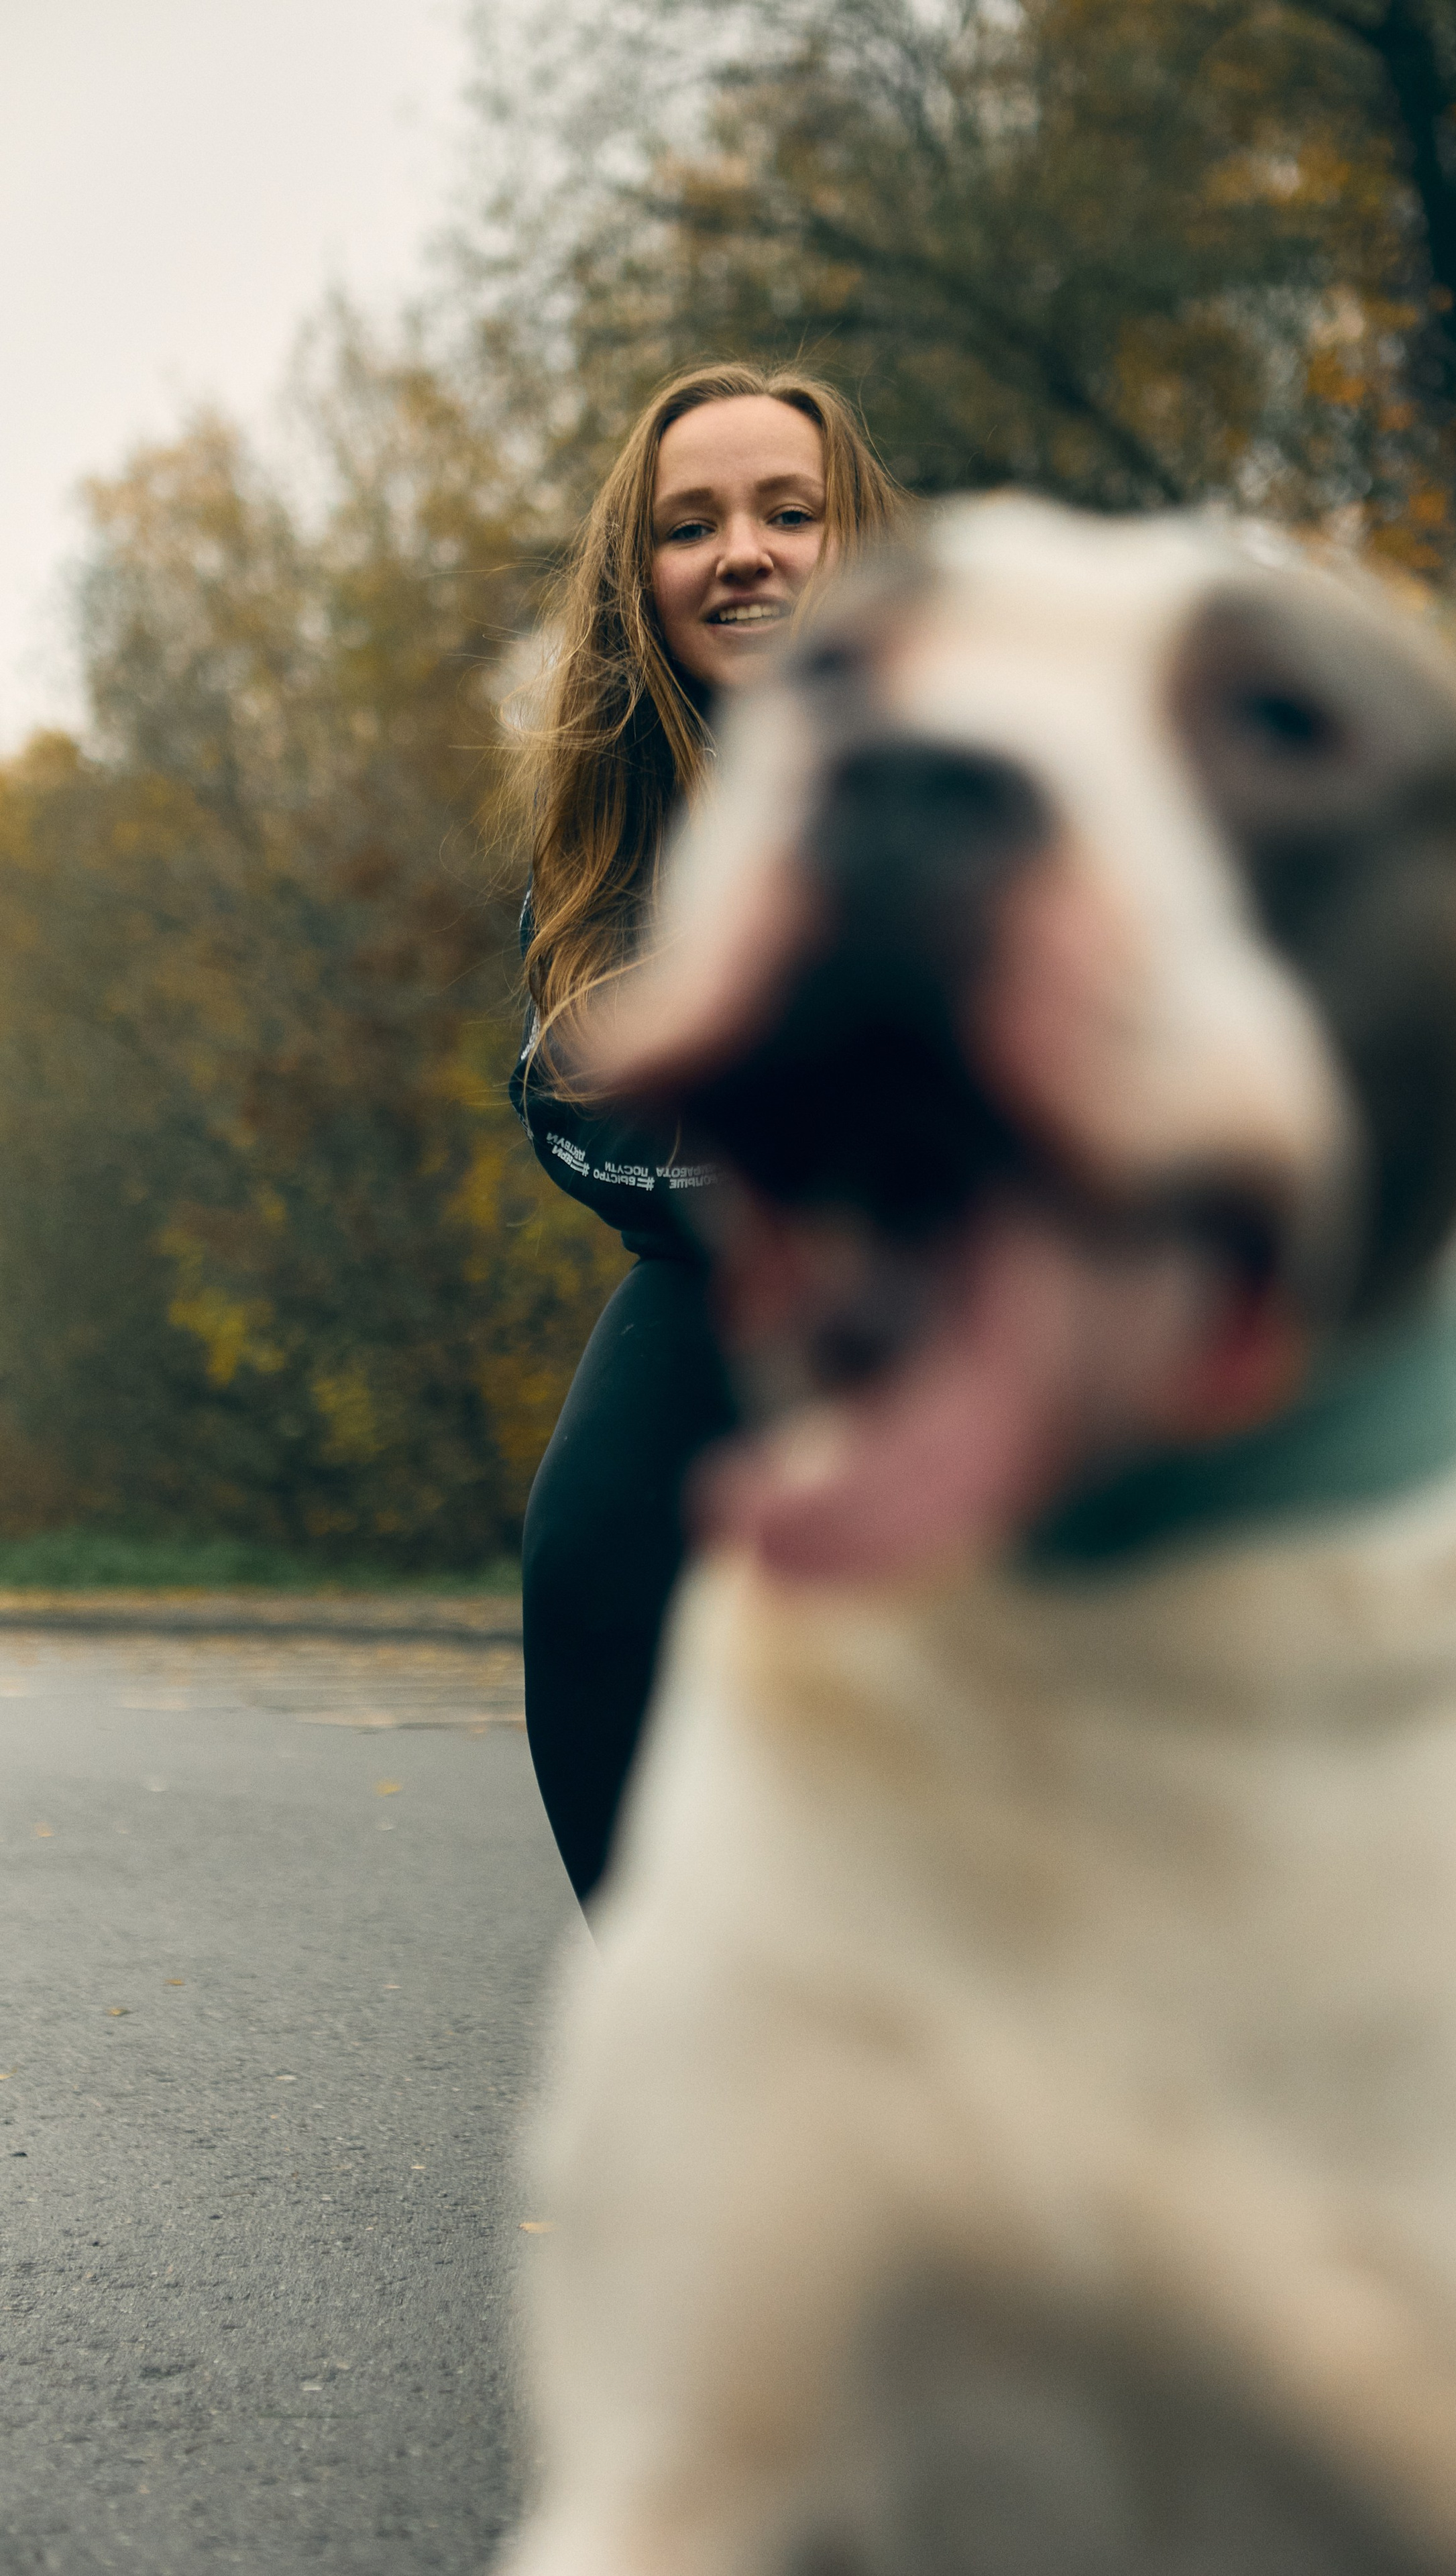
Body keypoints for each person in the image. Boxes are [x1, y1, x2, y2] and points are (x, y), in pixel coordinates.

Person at [508, 362, 909, 1900]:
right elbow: (583, 1130)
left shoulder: (985, 754)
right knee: (589, 1557)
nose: (739, 552)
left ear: (852, 543)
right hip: (713, 1262)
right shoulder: (614, 824)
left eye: (785, 513)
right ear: (642, 581)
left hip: (980, 1262)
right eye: (691, 526)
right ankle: (692, 2039)